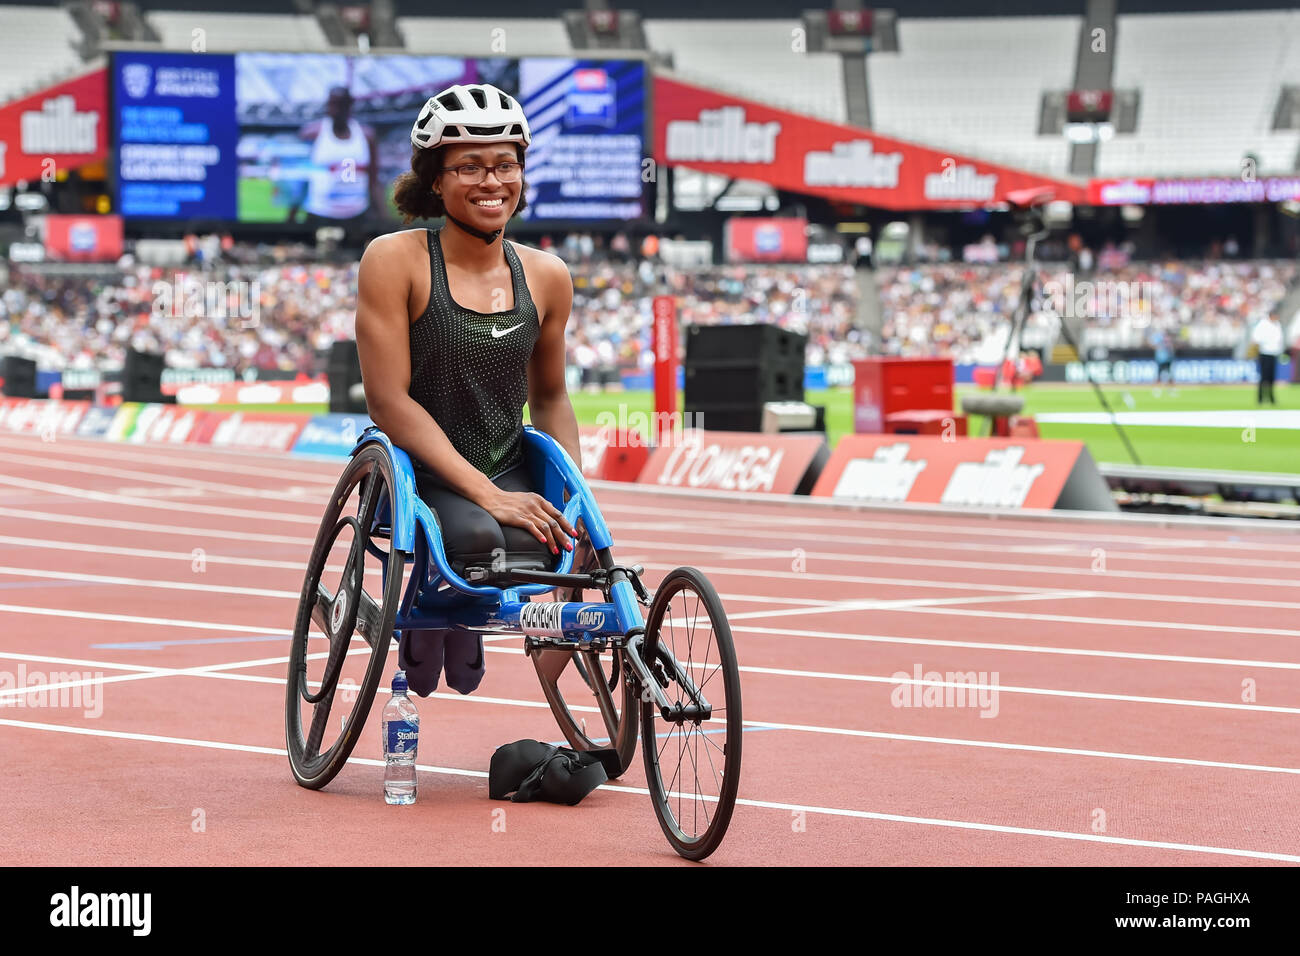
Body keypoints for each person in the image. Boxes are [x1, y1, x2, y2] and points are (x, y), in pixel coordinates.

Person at [354, 83, 580, 695]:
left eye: (505, 165)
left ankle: (465, 616)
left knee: (547, 548)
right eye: (470, 167)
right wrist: (487, 496)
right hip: (420, 467)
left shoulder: (547, 275)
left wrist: (580, 500)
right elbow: (388, 400)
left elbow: (553, 397)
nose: (492, 181)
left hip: (505, 463)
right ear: (435, 179)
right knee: (479, 539)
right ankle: (431, 616)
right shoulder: (393, 260)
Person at [1250, 309, 1284, 405]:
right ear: (1271, 316)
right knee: (1264, 377)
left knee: (1272, 377)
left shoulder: (1277, 325)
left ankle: (1271, 398)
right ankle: (1260, 398)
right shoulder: (1263, 324)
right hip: (1264, 353)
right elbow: (1256, 338)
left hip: (1274, 353)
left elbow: (1280, 339)